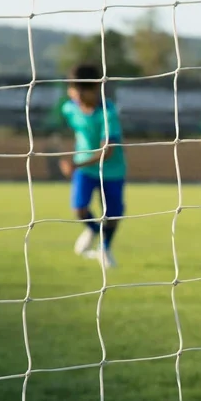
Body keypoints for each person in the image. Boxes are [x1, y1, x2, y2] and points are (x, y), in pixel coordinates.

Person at [59, 63, 125, 269]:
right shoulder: (69, 108)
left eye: (81, 92)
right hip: (85, 169)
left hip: (111, 169)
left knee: (113, 214)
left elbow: (109, 150)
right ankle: (94, 231)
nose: (76, 96)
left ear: (95, 89)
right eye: (73, 90)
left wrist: (76, 164)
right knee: (79, 208)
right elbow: (76, 131)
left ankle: (104, 248)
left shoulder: (108, 112)